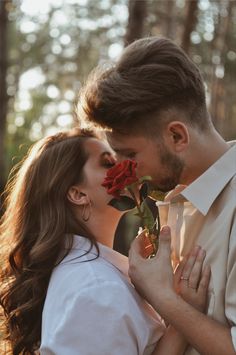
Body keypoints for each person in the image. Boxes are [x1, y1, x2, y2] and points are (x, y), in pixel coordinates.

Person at [77, 36, 236, 354]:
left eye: (129, 154)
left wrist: (161, 295)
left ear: (177, 135)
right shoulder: (174, 204)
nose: (122, 170)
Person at [0, 128, 209, 355]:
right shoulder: (97, 288)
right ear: (78, 194)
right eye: (109, 163)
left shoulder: (92, 276)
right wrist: (183, 316)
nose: (125, 166)